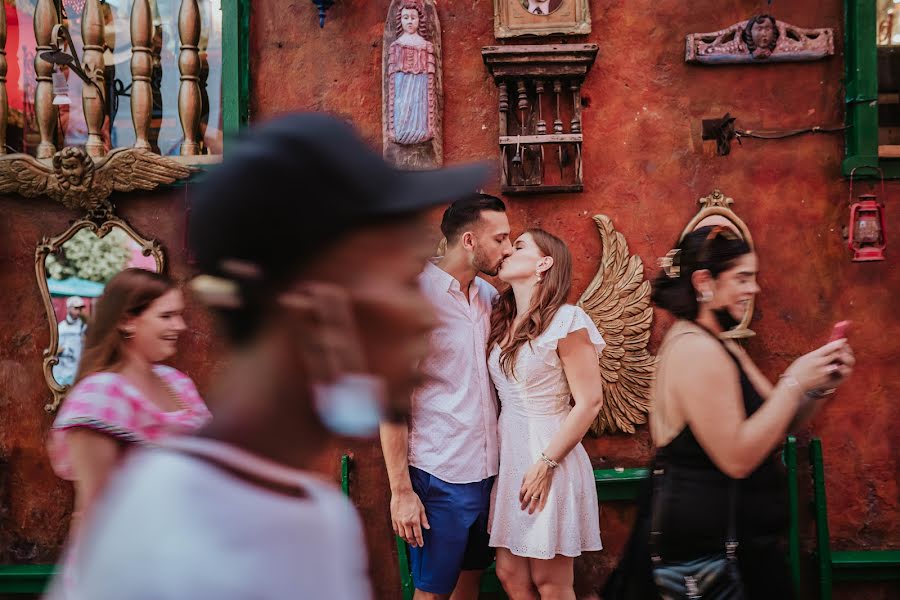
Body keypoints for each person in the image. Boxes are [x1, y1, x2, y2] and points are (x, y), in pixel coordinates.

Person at [47, 112, 490, 600]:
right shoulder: (169, 524)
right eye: (403, 281)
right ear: (312, 302)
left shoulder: (320, 517)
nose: (424, 318)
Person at [603, 225, 855, 599]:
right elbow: (736, 457)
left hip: (737, 550)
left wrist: (819, 382)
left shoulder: (720, 342)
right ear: (705, 281)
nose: (753, 288)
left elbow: (779, 417)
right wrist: (794, 381)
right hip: (704, 562)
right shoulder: (694, 350)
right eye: (742, 278)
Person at [46, 269, 212, 595]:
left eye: (179, 315)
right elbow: (94, 509)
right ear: (126, 321)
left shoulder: (177, 383)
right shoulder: (101, 394)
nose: (179, 326)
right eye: (166, 316)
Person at [380, 193, 512, 600]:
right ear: (469, 241)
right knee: (432, 593)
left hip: (488, 473)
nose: (508, 249)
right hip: (440, 476)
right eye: (500, 239)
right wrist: (401, 491)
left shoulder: (491, 298)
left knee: (469, 584)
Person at [486, 229, 604, 600]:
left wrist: (546, 463)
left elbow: (589, 402)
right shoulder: (503, 320)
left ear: (543, 264)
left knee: (550, 582)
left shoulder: (568, 320)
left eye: (518, 246)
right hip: (511, 456)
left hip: (549, 452)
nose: (507, 251)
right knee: (509, 573)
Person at [388, 0, 436, 145]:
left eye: (413, 18)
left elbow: (430, 81)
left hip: (420, 85)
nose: (410, 22)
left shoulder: (426, 46)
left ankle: (420, 131)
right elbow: (392, 83)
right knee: (402, 106)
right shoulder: (396, 46)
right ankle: (401, 130)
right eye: (406, 18)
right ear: (400, 20)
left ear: (419, 20)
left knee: (419, 105)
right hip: (401, 86)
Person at [53, 295, 88, 386]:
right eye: (76, 308)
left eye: (80, 309)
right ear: (68, 308)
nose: (78, 311)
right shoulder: (61, 327)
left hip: (74, 371)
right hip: (59, 370)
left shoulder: (83, 326)